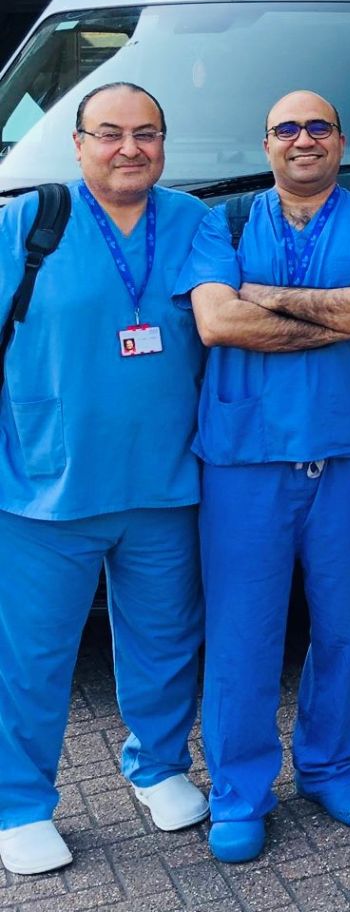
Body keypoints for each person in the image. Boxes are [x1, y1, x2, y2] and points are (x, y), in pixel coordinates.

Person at [179, 91, 350, 864]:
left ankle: (332, 768)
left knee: (343, 622)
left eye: (318, 126)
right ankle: (239, 793)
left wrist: (266, 297)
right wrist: (345, 307)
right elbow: (217, 321)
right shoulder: (225, 223)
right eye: (287, 128)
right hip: (246, 458)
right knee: (243, 633)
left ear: (341, 142)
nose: (303, 138)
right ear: (267, 144)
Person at [0, 84, 209, 877]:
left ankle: (158, 766)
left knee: (164, 641)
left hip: (165, 482)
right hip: (46, 487)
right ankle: (19, 804)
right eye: (111, 133)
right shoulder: (30, 223)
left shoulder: (193, 221)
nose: (130, 148)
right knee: (32, 656)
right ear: (79, 143)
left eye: (147, 133)